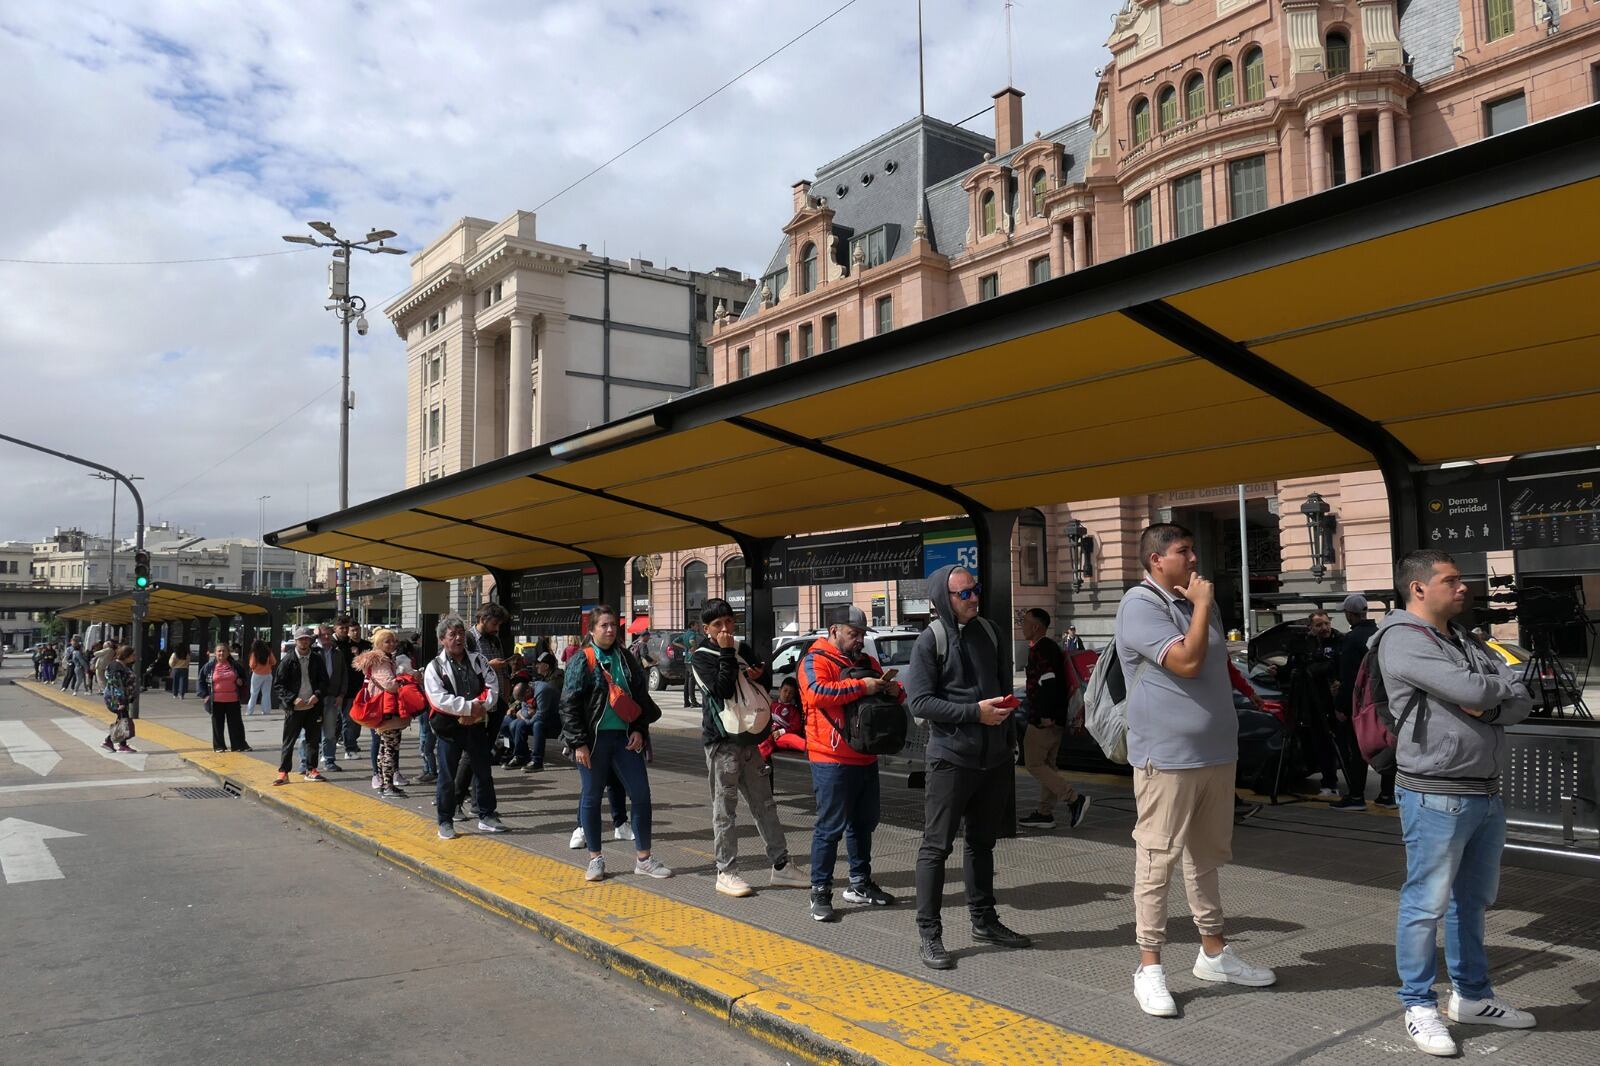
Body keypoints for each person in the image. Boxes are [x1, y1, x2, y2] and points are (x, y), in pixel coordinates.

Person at [1379, 550, 1536, 1056]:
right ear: (1419, 588)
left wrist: (1488, 700)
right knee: (1425, 903)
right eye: (1451, 580)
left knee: (1472, 901)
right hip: (1435, 793)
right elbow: (1469, 687)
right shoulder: (1403, 638)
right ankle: (1418, 1005)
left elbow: (1521, 696)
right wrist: (1493, 690)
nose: (1463, 587)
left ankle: (1472, 996)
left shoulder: (1464, 638)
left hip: (1483, 792)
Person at [1115, 523, 1275, 1017]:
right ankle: (1149, 967)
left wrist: (1202, 606)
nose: (1193, 559)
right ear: (1156, 560)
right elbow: (1185, 661)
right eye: (1183, 551)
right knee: (1156, 859)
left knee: (1206, 857)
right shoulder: (1140, 604)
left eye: (1192, 550)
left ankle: (1214, 953)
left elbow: (1215, 666)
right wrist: (1203, 604)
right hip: (1167, 756)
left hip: (1215, 753)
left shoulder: (1196, 603)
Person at [905, 566, 1031, 970]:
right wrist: (974, 713)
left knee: (982, 844)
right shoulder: (931, 640)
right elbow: (919, 702)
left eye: (975, 590)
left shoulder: (990, 632)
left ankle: (984, 921)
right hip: (951, 759)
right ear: (944, 599)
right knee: (936, 847)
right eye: (964, 594)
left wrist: (1009, 738)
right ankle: (930, 934)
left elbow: (1002, 689)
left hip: (994, 759)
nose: (974, 598)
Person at [691, 598, 807, 898]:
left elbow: (764, 681)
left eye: (729, 621)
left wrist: (759, 674)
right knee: (725, 810)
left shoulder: (742, 648)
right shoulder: (701, 657)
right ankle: (726, 871)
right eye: (718, 624)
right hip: (721, 742)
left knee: (764, 803)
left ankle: (781, 865)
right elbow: (722, 689)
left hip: (750, 739)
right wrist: (727, 652)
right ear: (706, 629)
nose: (725, 629)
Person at [799, 606, 901, 923]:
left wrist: (893, 690)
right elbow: (816, 693)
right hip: (830, 758)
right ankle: (820, 891)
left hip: (865, 754)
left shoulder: (867, 662)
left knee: (863, 824)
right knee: (829, 828)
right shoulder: (815, 660)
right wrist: (862, 686)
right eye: (853, 634)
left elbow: (895, 696)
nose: (859, 640)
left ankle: (860, 883)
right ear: (834, 631)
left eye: (861, 634)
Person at [559, 604, 670, 882]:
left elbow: (641, 698)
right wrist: (578, 743)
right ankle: (595, 858)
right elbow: (568, 705)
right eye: (604, 625)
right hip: (593, 742)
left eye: (613, 625)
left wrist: (640, 730)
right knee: (591, 796)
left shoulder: (626, 657)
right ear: (592, 630)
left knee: (641, 794)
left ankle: (644, 859)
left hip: (624, 739)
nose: (610, 630)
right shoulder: (582, 659)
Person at [422, 614, 507, 840]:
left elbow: (492, 687)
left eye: (461, 633)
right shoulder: (434, 667)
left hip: (476, 725)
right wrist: (468, 708)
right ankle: (445, 820)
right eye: (452, 635)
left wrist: (478, 709)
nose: (458, 638)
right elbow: (438, 699)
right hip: (449, 729)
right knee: (447, 776)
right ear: (442, 639)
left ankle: (486, 815)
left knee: (483, 771)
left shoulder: (478, 660)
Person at [1017, 608, 1090, 831]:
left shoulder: (1042, 649)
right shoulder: (1048, 647)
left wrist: (1044, 716)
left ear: (1036, 627)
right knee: (1048, 765)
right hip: (1055, 717)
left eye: (1025, 622)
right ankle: (1045, 813)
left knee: (1034, 763)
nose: (1022, 626)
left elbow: (1048, 683)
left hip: (1044, 719)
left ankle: (1073, 798)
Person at [1279, 610, 1345, 800]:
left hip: (1333, 702)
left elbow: (1343, 667)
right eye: (1319, 625)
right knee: (1318, 743)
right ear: (1311, 628)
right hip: (1310, 703)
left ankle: (1343, 785)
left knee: (1337, 744)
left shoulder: (1340, 641)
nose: (1324, 628)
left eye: (1326, 623)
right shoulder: (1304, 645)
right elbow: (1292, 668)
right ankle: (1327, 783)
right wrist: (1280, 672)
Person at [1337, 594, 1394, 810]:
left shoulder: (1352, 639)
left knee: (1357, 749)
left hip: (1361, 704)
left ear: (1349, 614)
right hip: (1385, 701)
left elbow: (1348, 678)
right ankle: (1387, 794)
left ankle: (1355, 796)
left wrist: (1340, 706)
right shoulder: (1379, 634)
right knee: (1385, 745)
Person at [354, 628, 411, 798]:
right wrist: (405, 680)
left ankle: (384, 783)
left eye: (394, 641)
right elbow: (390, 684)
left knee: (384, 747)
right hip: (387, 710)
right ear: (378, 643)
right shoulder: (382, 661)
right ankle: (388, 785)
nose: (392, 644)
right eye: (387, 641)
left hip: (383, 709)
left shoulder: (383, 659)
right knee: (390, 748)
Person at [273, 626, 331, 785]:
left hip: (313, 707)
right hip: (294, 708)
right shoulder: (288, 660)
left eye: (307, 639)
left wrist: (317, 695)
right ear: (296, 641)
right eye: (301, 639)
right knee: (289, 741)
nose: (304, 641)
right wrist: (292, 699)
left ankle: (311, 770)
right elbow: (278, 685)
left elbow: (324, 681)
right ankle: (283, 772)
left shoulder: (317, 658)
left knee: (313, 740)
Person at [302, 625, 350, 773]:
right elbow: (304, 646)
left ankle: (329, 759)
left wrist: (341, 695)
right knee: (308, 732)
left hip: (332, 697)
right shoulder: (313, 651)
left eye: (329, 634)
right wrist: (314, 636)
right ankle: (305, 763)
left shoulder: (337, 653)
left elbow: (344, 675)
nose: (326, 637)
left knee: (330, 732)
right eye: (323, 635)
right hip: (314, 697)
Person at [199, 641, 249, 753]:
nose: (221, 653)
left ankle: (239, 745)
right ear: (215, 653)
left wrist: (241, 681)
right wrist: (205, 695)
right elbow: (201, 681)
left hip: (233, 700)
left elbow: (244, 678)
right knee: (217, 725)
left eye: (224, 651)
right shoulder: (208, 667)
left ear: (228, 653)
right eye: (219, 651)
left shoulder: (235, 666)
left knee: (236, 724)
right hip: (216, 701)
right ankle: (219, 746)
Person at [336, 616, 370, 759]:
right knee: (348, 719)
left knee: (358, 718)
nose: (355, 633)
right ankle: (349, 747)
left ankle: (351, 742)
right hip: (347, 688)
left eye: (357, 630)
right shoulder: (343, 646)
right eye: (352, 630)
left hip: (363, 687)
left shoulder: (366, 645)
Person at [101, 644, 138, 753]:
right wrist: (120, 701)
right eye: (132, 655)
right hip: (116, 699)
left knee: (122, 720)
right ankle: (112, 742)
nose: (134, 657)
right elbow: (116, 685)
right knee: (123, 720)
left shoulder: (123, 665)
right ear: (126, 655)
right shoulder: (116, 667)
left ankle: (115, 743)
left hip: (122, 698)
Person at [759, 677, 806, 758]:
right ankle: (761, 761)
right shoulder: (770, 704)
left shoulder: (793, 711)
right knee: (764, 739)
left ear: (794, 695)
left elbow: (796, 728)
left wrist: (781, 732)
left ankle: (816, 750)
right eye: (785, 690)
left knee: (796, 740)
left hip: (783, 736)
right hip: (768, 735)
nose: (787, 694)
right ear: (780, 690)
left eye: (791, 693)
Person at [245, 639, 276, 716]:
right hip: (268, 675)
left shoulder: (254, 653)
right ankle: (266, 711)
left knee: (254, 693)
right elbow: (274, 662)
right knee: (266, 693)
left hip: (257, 674)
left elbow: (252, 665)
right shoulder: (268, 652)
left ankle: (249, 711)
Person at [680, 621, 704, 708]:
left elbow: (675, 641)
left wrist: (685, 647)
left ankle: (686, 701)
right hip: (692, 659)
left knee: (687, 682)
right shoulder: (693, 634)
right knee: (692, 681)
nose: (698, 627)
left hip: (686, 659)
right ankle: (693, 702)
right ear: (692, 626)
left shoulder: (685, 634)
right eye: (697, 625)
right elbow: (691, 640)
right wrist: (695, 647)